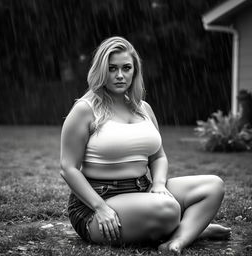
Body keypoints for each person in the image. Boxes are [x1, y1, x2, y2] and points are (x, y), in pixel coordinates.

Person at [60, 36, 231, 255]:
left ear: (135, 70)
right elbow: (68, 168)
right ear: (101, 71)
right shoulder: (85, 109)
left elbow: (158, 156)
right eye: (112, 68)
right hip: (98, 203)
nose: (120, 75)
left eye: (126, 68)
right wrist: (100, 208)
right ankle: (192, 229)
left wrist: (158, 184)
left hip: (143, 189)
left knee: (213, 186)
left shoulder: (144, 109)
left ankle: (177, 240)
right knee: (169, 210)